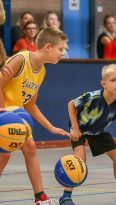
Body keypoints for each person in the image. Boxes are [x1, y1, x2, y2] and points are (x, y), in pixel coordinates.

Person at [0, 27, 70, 205]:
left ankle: (40, 197)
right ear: (48, 47)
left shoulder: (42, 71)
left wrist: (50, 127)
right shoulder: (21, 59)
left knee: (30, 148)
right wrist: (2, 113)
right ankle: (40, 196)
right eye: (61, 49)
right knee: (5, 154)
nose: (63, 53)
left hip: (16, 117)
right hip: (5, 114)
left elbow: (30, 104)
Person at [59, 64, 116, 205]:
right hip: (79, 129)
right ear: (103, 83)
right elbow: (71, 104)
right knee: (79, 161)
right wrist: (74, 128)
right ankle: (66, 197)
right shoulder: (92, 97)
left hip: (98, 132)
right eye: (113, 80)